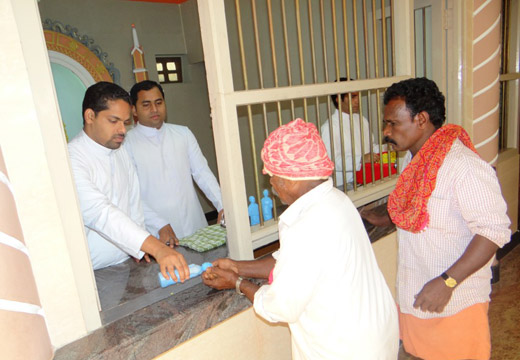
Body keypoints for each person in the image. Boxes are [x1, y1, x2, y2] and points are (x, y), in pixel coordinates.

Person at [202, 118, 398, 359]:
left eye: (271, 175)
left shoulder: (305, 225)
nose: (271, 183)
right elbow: (289, 263)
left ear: (291, 178)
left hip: (343, 348)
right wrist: (237, 266)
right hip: (372, 337)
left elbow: (281, 307)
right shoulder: (336, 200)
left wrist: (237, 283)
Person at [361, 77, 511, 360]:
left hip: (454, 300)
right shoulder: (415, 160)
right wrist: (386, 218)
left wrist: (447, 283)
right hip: (416, 294)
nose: (386, 131)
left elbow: (493, 232)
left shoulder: (463, 167)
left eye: (393, 123)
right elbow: (418, 206)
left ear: (421, 119)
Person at [68, 81, 188, 283]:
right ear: (90, 116)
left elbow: (134, 204)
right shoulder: (72, 158)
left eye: (125, 122)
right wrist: (157, 248)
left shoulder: (119, 150)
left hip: (128, 263)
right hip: (94, 273)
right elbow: (100, 213)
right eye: (113, 121)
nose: (122, 130)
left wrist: (140, 252)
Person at [125, 80, 223, 240]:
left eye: (159, 102)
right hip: (156, 230)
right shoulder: (126, 144)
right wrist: (158, 224)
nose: (154, 109)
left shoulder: (183, 134)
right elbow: (131, 194)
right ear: (134, 110)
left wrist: (221, 204)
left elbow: (202, 172)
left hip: (193, 222)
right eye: (146, 105)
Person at [320, 78, 379, 187]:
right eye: (352, 97)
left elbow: (372, 147)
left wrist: (385, 149)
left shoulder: (362, 120)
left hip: (367, 179)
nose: (357, 101)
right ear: (338, 98)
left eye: (357, 96)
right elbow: (331, 162)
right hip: (344, 185)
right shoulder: (330, 127)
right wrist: (361, 159)